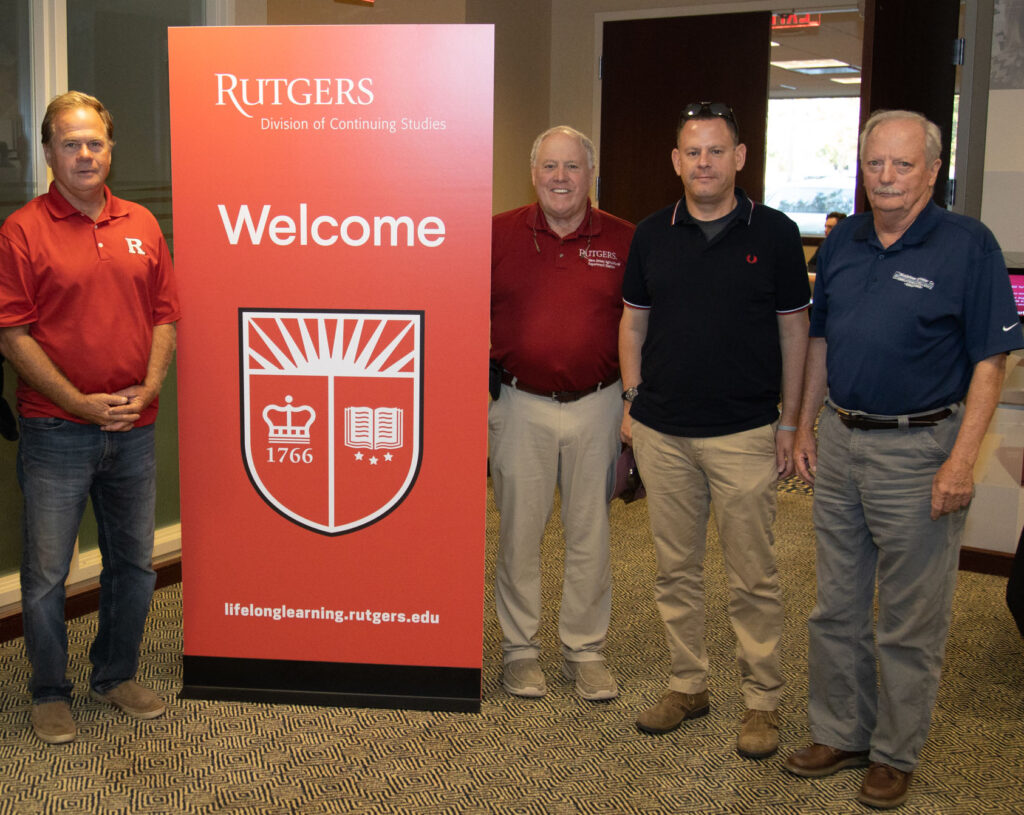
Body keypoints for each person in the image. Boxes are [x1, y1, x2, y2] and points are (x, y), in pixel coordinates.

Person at [784, 110, 1023, 809]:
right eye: (874, 164)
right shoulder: (845, 241)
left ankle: (894, 750)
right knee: (836, 605)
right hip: (843, 439)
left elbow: (991, 361)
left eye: (902, 164)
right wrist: (802, 423)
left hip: (922, 449)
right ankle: (840, 731)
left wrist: (961, 459)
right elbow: (821, 342)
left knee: (911, 617)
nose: (885, 177)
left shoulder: (968, 245)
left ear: (932, 170)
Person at [619, 102, 809, 759]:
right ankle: (687, 683)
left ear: (740, 157)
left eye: (716, 150)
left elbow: (795, 331)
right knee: (675, 570)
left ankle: (763, 701)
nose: (704, 162)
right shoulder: (650, 234)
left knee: (753, 575)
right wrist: (631, 398)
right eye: (692, 152)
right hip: (663, 431)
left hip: (745, 432)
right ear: (676, 161)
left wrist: (791, 419)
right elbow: (633, 322)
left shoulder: (779, 234)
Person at [0, 91, 180, 744]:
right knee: (49, 571)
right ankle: (49, 688)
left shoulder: (143, 222)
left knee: (133, 563)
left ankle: (115, 673)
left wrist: (151, 382)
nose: (84, 153)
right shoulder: (22, 231)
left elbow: (165, 313)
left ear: (110, 150)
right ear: (48, 153)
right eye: (70, 142)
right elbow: (12, 333)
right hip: (56, 430)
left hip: (134, 427)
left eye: (95, 142)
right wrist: (77, 402)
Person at [489, 126, 634, 700]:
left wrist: (631, 403)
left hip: (599, 403)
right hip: (519, 405)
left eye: (572, 167)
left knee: (589, 534)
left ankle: (584, 648)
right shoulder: (497, 234)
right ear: (534, 172)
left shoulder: (626, 239)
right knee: (519, 533)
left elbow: (641, 324)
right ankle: (520, 650)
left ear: (589, 173)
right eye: (550, 166)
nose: (560, 178)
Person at [806, 210, 847, 274]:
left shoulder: (848, 247)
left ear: (841, 228)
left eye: (830, 227)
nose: (825, 230)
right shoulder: (824, 245)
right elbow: (811, 265)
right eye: (825, 226)